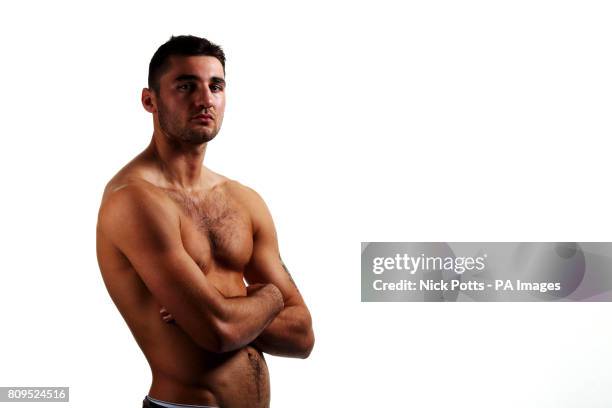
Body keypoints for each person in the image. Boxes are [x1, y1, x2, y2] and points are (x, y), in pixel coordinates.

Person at [96, 35, 314, 408]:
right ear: (150, 100)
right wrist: (271, 297)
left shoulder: (243, 200)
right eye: (186, 86)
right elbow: (218, 330)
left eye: (216, 86)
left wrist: (228, 305)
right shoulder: (133, 199)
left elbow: (303, 336)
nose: (205, 99)